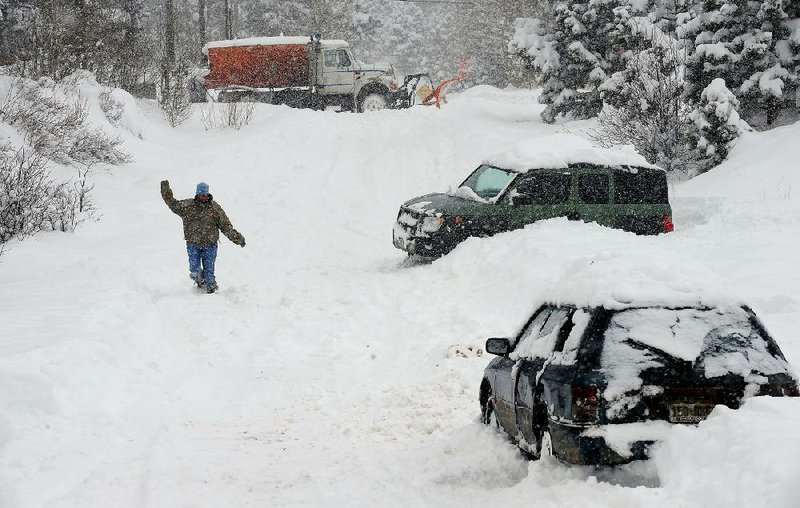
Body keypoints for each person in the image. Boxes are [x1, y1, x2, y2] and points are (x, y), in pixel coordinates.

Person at [161, 180, 245, 293]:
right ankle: (201, 283)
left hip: (210, 245)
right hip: (193, 245)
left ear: (208, 194)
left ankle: (211, 291)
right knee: (194, 270)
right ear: (197, 194)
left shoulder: (214, 208)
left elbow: (226, 226)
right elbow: (172, 204)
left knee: (209, 273)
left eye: (205, 194)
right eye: (201, 195)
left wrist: (237, 238)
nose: (203, 197)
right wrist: (165, 188)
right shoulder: (188, 206)